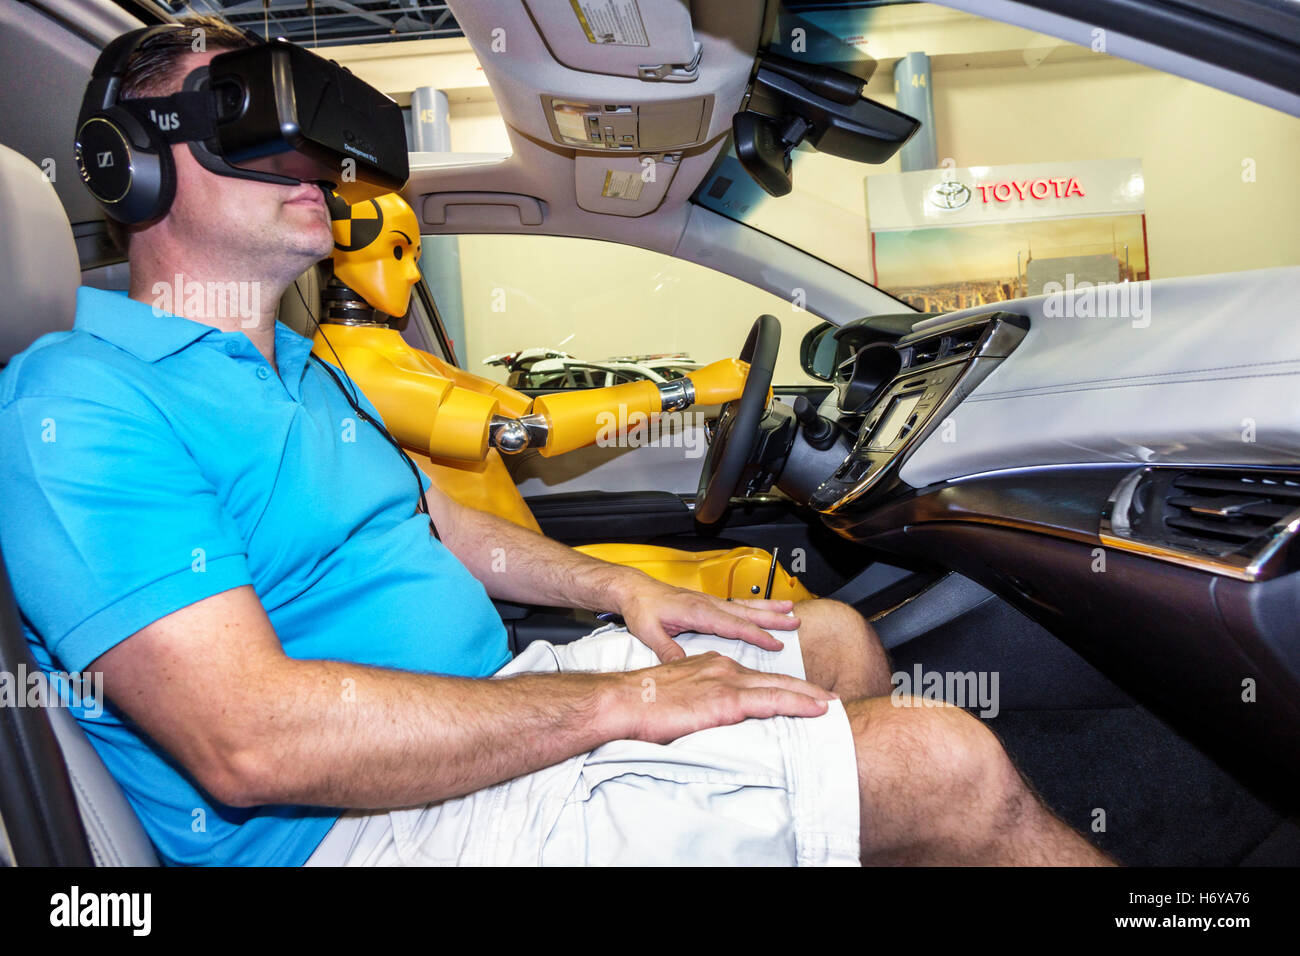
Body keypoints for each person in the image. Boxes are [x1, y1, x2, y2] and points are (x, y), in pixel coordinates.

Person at [0, 17, 1110, 866]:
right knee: (948, 762)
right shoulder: (78, 403)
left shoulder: (305, 365)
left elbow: (434, 517)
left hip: (480, 707)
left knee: (824, 640)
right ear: (125, 164)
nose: (311, 159)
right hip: (357, 833)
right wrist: (614, 705)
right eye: (250, 121)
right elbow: (250, 742)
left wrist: (616, 590)